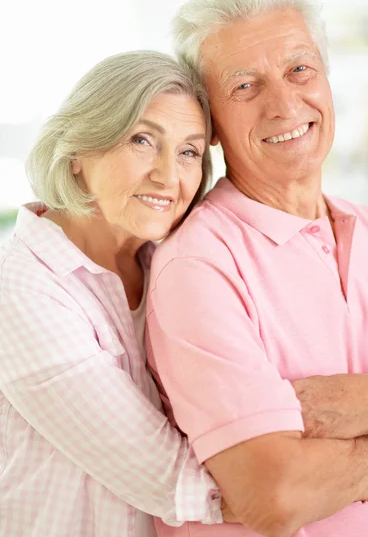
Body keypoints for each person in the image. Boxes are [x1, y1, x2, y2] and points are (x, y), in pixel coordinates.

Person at [146, 0, 368, 537]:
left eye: (299, 70)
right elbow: (275, 496)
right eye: (245, 86)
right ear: (209, 122)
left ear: (326, 78)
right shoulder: (199, 267)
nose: (285, 105)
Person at [0, 51, 228, 537]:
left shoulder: (175, 270)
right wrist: (359, 469)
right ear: (78, 152)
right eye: (142, 140)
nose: (169, 176)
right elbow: (174, 480)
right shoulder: (19, 284)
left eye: (189, 151)